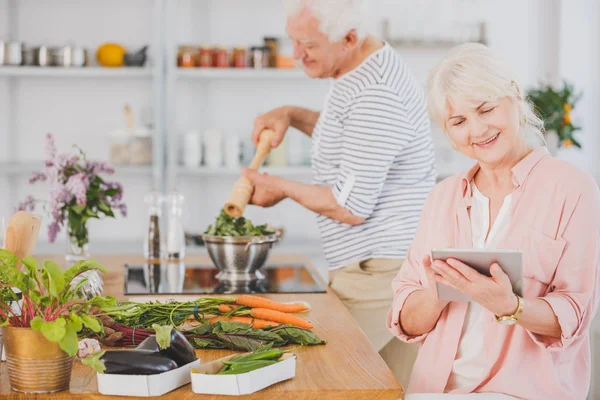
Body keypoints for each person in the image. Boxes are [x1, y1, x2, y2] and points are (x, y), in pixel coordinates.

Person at [386, 42, 600, 399]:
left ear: (514, 96)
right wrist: (439, 293)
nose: (478, 130)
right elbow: (405, 319)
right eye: (458, 121)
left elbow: (575, 313)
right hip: (434, 392)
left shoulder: (573, 189)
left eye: (486, 109)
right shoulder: (443, 197)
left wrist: (511, 307)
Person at [243, 0, 436, 384]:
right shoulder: (359, 67)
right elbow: (357, 143)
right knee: (390, 383)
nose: (296, 54)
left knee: (316, 373)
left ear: (348, 38)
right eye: (293, 42)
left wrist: (278, 187)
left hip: (381, 272)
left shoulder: (376, 92)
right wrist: (292, 115)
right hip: (382, 266)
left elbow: (350, 206)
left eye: (308, 45)